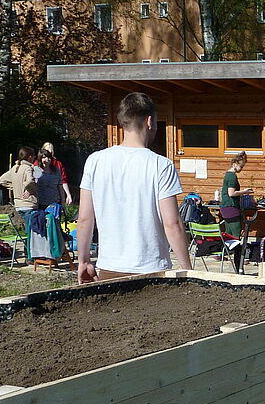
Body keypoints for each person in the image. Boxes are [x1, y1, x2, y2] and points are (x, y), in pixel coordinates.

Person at [76, 92, 191, 283]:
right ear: (149, 121)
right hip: (151, 270)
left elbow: (85, 218)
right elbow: (172, 223)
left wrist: (83, 260)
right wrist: (188, 270)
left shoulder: (95, 161)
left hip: (109, 268)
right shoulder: (161, 165)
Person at [219, 151, 254, 239]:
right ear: (235, 164)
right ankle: (236, 252)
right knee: (236, 235)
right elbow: (231, 193)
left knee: (228, 233)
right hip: (231, 207)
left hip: (224, 207)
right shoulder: (232, 176)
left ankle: (228, 251)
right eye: (241, 166)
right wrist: (244, 191)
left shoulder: (227, 174)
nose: (241, 169)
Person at [0, 147, 37, 220]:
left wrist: (15, 187)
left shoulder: (14, 168)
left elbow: (1, 180)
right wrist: (28, 189)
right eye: (34, 156)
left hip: (18, 205)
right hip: (29, 204)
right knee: (30, 229)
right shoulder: (28, 168)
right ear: (30, 157)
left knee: (22, 229)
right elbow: (30, 181)